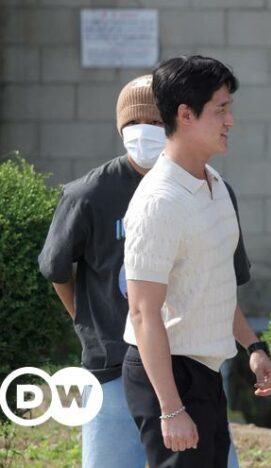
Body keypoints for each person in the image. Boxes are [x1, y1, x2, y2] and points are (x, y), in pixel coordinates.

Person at [120, 55, 271, 468]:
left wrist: (253, 346)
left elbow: (212, 283)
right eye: (221, 109)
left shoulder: (216, 184)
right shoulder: (158, 200)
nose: (231, 121)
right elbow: (141, 312)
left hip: (205, 372)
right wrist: (170, 409)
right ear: (185, 115)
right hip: (168, 374)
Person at [38, 75, 166, 468]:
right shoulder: (88, 193)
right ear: (120, 128)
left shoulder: (200, 188)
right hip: (110, 365)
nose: (145, 132)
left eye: (158, 123)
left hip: (185, 363)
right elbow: (57, 268)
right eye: (134, 124)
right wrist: (86, 320)